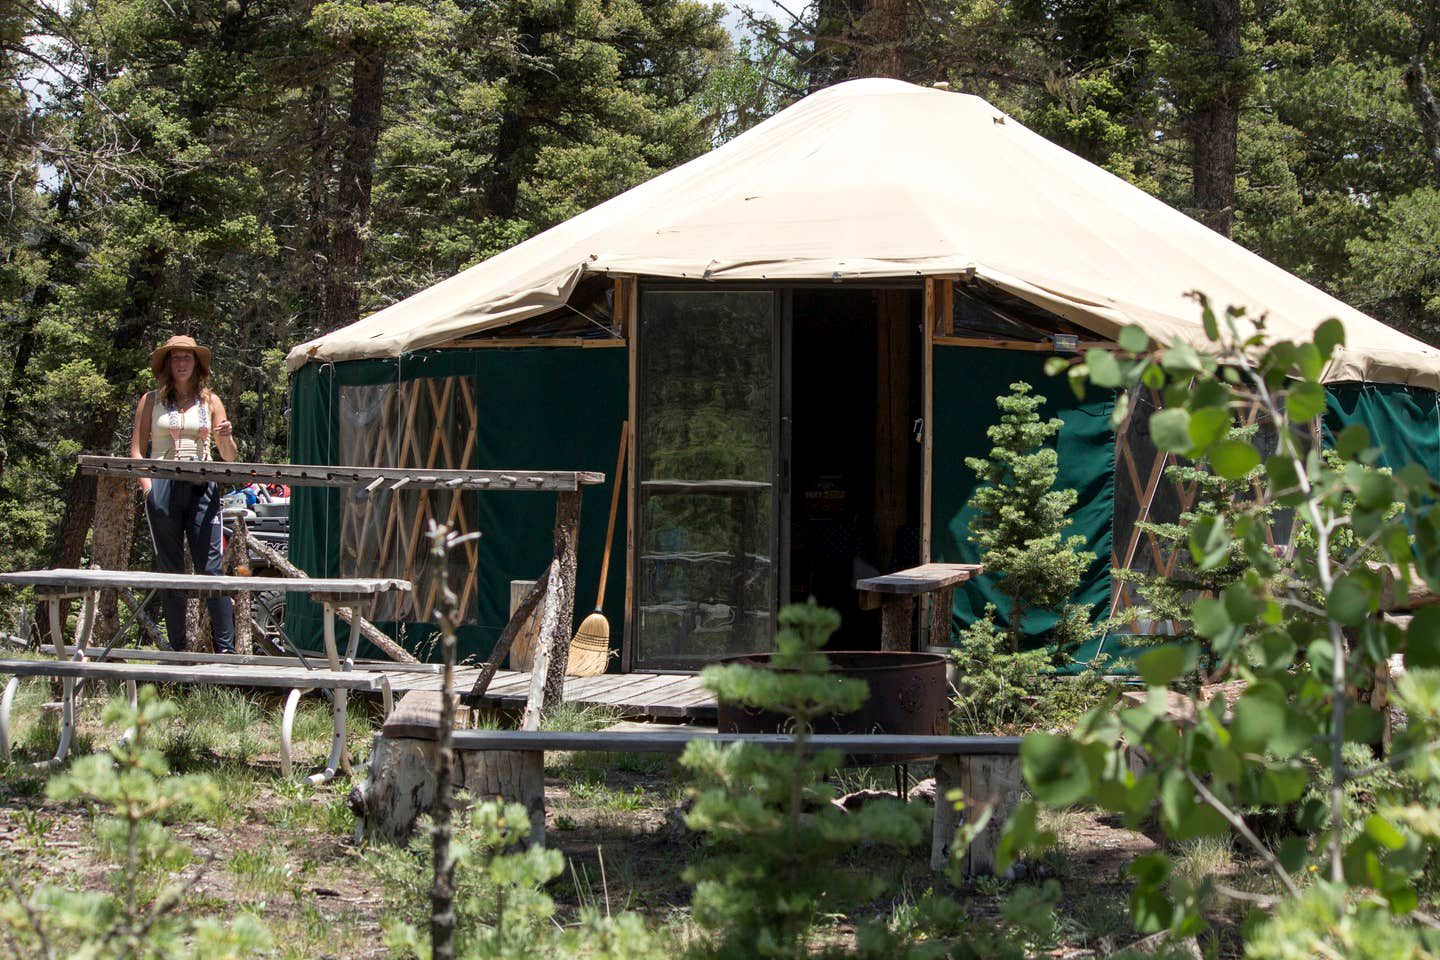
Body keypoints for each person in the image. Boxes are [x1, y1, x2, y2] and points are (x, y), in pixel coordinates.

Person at [129, 335, 239, 653]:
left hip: (202, 483)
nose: (181, 363)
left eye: (187, 358)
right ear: (167, 363)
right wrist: (148, 489)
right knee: (171, 569)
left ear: (197, 364)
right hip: (163, 484)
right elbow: (137, 449)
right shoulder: (151, 400)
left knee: (212, 568)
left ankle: (225, 652)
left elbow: (229, 456)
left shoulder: (211, 401)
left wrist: (227, 437)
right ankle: (178, 651)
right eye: (175, 358)